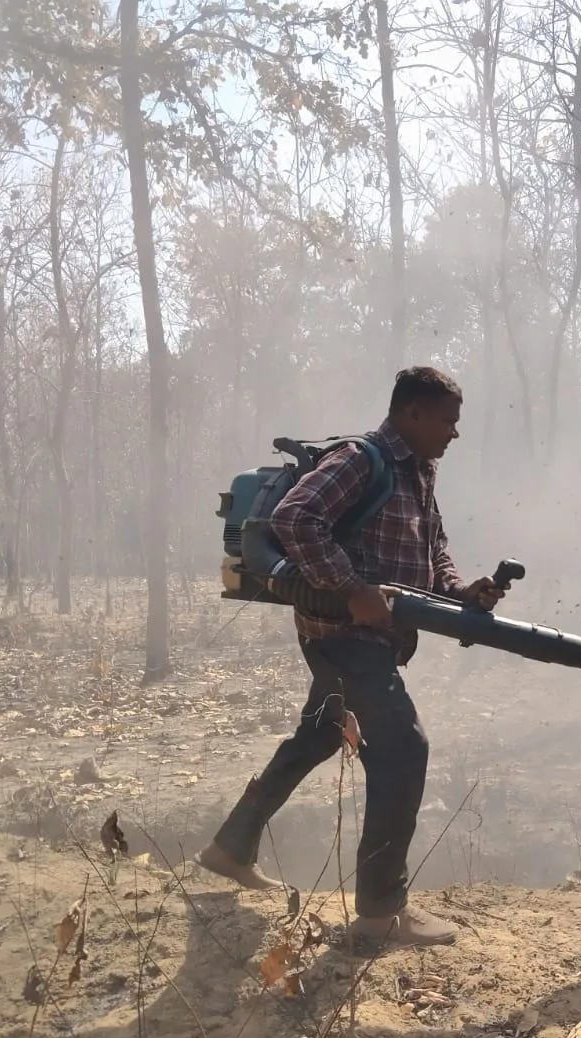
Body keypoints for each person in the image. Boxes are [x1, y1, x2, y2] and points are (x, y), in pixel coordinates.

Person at [196, 367, 505, 950]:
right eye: (448, 420)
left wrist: (461, 591)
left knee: (315, 737)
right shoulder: (361, 460)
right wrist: (351, 587)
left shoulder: (419, 472)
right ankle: (381, 913)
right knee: (403, 750)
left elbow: (431, 551)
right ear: (413, 413)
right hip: (341, 635)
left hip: (370, 640)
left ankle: (229, 848)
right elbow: (294, 518)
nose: (454, 433)